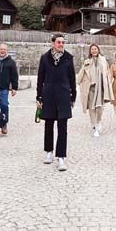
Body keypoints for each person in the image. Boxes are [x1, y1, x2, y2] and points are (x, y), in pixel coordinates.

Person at [36, 34, 76, 171]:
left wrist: (73, 96)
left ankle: (61, 157)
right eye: (58, 42)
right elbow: (40, 78)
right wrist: (38, 96)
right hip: (48, 95)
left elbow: (72, 78)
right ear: (53, 43)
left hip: (64, 95)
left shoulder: (68, 58)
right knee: (48, 124)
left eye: (63, 42)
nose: (61, 44)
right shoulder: (45, 58)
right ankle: (49, 152)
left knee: (63, 127)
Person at [77, 43, 114, 137]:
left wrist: (109, 83)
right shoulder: (87, 61)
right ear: (90, 51)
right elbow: (81, 73)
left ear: (98, 50)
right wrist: (76, 82)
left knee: (100, 108)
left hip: (100, 88)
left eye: (95, 49)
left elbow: (108, 73)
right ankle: (95, 125)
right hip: (90, 88)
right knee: (91, 108)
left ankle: (98, 121)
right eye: (92, 49)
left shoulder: (103, 60)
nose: (94, 50)